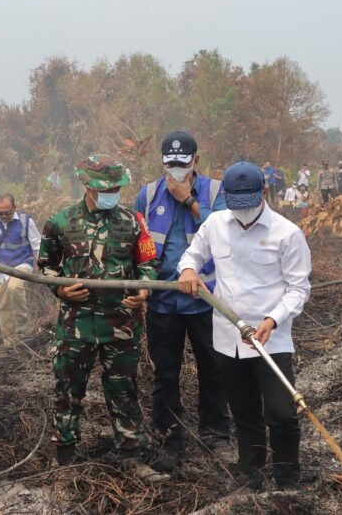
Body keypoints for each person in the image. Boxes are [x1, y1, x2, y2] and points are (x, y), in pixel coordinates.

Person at [177, 161, 311, 491]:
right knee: (243, 410)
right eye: (236, 205)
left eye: (250, 204)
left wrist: (272, 319)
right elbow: (191, 257)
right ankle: (250, 472)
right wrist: (188, 271)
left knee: (281, 412)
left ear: (264, 193)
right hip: (227, 337)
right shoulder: (215, 224)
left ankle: (287, 476)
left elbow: (299, 288)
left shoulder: (287, 234)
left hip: (271, 338)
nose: (243, 213)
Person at [39, 155, 166, 481]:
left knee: (124, 391)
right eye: (105, 187)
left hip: (121, 324)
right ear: (87, 186)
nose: (112, 192)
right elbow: (46, 267)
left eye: (115, 187)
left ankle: (130, 456)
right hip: (76, 325)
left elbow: (148, 264)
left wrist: (143, 291)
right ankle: (64, 457)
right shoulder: (60, 222)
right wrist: (61, 291)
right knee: (68, 391)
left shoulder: (132, 221)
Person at [133, 131, 232, 472]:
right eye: (170, 164)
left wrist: (189, 200)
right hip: (162, 303)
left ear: (196, 162)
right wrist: (141, 288)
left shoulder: (217, 191)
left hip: (205, 300)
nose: (176, 170)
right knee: (165, 373)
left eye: (183, 164)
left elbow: (225, 234)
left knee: (214, 369)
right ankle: (169, 438)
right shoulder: (146, 196)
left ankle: (217, 434)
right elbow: (139, 244)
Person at [0, 194, 41, 346]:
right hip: (1, 267)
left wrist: (42, 265)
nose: (4, 216)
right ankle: (10, 341)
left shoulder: (25, 221)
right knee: (2, 301)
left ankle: (23, 323)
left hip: (22, 263)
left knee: (14, 287)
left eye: (7, 213)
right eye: (0, 213)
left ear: (14, 209)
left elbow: (37, 246)